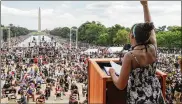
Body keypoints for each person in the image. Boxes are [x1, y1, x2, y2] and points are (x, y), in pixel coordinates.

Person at [109, 1, 165, 103]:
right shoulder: (153, 47)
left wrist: (112, 73)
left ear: (132, 36)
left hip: (139, 99)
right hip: (156, 94)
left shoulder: (130, 56)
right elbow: (150, 26)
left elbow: (121, 85)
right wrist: (145, 5)